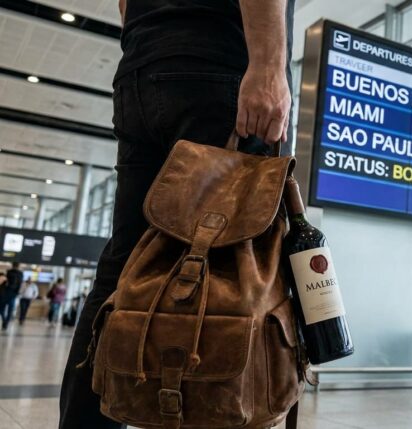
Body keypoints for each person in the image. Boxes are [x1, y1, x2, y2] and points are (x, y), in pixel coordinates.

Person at [59, 0, 295, 427]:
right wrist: (267, 67)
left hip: (141, 72)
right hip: (219, 69)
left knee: (123, 269)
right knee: (227, 268)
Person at [0, 262, 24, 330]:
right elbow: (20, 284)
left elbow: (5, 283)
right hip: (13, 294)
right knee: (10, 310)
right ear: (18, 266)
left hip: (5, 293)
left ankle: (4, 320)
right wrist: (17, 293)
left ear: (12, 265)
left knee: (1, 308)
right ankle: (6, 323)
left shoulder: (8, 272)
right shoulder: (20, 274)